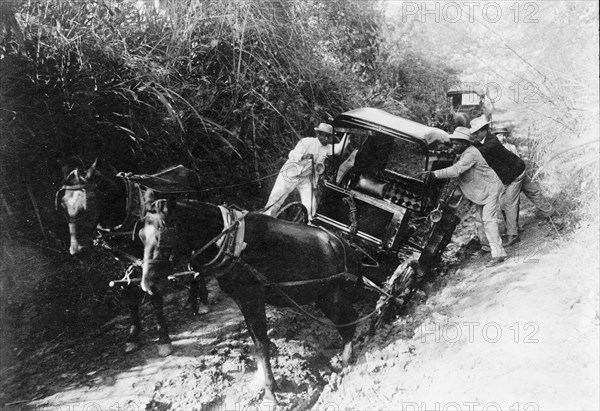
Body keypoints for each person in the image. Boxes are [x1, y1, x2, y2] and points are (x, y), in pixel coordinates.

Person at [424, 127, 508, 267]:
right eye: (453, 143)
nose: (454, 146)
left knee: (488, 221)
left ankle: (499, 254)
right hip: (481, 191)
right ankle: (487, 247)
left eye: (457, 144)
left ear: (465, 143)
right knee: (480, 221)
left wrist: (434, 174)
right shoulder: (464, 152)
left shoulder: (471, 154)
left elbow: (456, 170)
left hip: (490, 189)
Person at [264, 123, 349, 220]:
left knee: (310, 204)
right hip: (290, 174)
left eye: (329, 137)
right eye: (324, 135)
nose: (326, 139)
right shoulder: (306, 141)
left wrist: (348, 134)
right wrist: (302, 157)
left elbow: (338, 149)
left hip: (305, 178)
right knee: (276, 200)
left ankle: (308, 224)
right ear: (318, 134)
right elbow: (292, 154)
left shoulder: (327, 148)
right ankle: (266, 219)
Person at [470, 116, 526, 247]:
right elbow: (477, 146)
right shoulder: (484, 141)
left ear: (484, 131)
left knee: (509, 203)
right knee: (532, 193)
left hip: (515, 173)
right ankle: (548, 212)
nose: (475, 135)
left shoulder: (492, 142)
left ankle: (513, 235)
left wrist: (465, 149)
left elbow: (480, 151)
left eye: (476, 132)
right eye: (473, 133)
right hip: (510, 173)